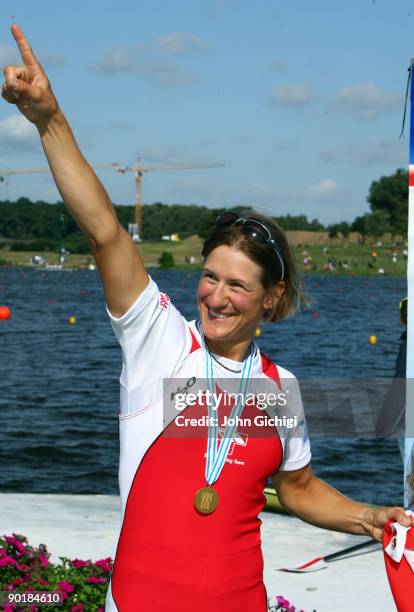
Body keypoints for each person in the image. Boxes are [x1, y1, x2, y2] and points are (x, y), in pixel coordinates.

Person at [2, 24, 412, 612]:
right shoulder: (160, 343)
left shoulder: (280, 391)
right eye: (210, 276)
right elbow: (106, 233)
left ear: (271, 297)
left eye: (238, 285)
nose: (216, 296)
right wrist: (48, 119)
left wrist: (368, 515)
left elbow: (296, 489)